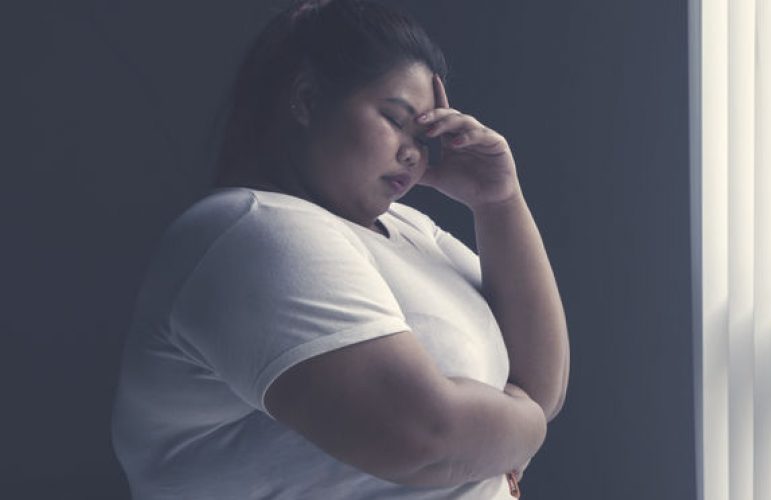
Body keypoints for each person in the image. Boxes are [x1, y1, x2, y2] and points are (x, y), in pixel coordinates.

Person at [110, 0, 569, 497]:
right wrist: (523, 433)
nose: (413, 151)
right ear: (307, 99)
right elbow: (425, 438)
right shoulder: (250, 232)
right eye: (396, 119)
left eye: (424, 134)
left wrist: (498, 201)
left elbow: (542, 388)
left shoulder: (411, 230)